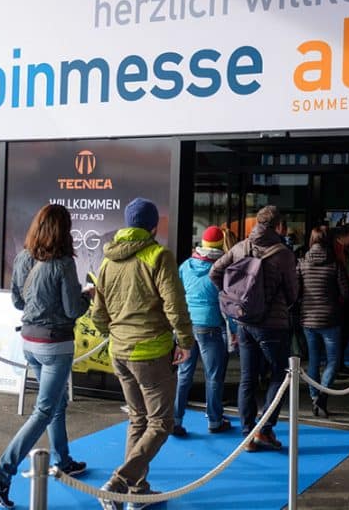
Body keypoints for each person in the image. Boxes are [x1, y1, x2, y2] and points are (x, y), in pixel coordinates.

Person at [0, 205, 91, 509]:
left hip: (29, 342)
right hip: (55, 345)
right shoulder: (64, 263)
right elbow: (73, 310)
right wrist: (88, 296)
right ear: (64, 230)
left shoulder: (22, 257)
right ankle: (2, 476)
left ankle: (64, 461)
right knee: (43, 410)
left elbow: (18, 302)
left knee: (56, 403)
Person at [91, 197, 194, 510]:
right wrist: (185, 341)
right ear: (153, 227)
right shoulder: (158, 255)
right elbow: (174, 305)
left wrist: (114, 334)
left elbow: (98, 313)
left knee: (138, 420)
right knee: (161, 423)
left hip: (119, 351)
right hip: (150, 352)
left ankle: (135, 492)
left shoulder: (108, 260)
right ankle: (119, 482)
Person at [210, 205, 297, 452]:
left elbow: (214, 272)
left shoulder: (241, 247)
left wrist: (231, 296)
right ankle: (264, 429)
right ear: (278, 226)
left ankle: (247, 433)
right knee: (281, 375)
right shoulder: (283, 254)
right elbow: (292, 292)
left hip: (244, 322)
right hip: (272, 325)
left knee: (247, 378)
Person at [172, 226, 234, 437]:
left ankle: (175, 420)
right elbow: (228, 302)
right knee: (213, 376)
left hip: (187, 325)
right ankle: (215, 421)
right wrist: (234, 330)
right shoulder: (221, 269)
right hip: (210, 326)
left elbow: (176, 295)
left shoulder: (186, 265)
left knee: (184, 374)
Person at [297, 227, 349, 417]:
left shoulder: (301, 263)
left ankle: (314, 397)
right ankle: (322, 397)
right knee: (333, 361)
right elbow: (346, 292)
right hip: (331, 318)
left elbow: (296, 291)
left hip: (308, 319)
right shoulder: (335, 264)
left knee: (313, 360)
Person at [332, 224, 349, 374]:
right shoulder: (336, 250)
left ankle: (338, 365)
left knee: (343, 333)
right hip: (340, 299)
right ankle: (336, 366)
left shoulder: (344, 250)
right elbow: (339, 275)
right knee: (340, 334)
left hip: (343, 297)